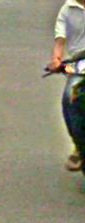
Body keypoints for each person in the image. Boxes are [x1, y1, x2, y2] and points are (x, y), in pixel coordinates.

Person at [49, 0, 85, 171]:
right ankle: (79, 145)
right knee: (69, 98)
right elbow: (60, 41)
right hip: (79, 63)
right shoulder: (67, 10)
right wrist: (56, 60)